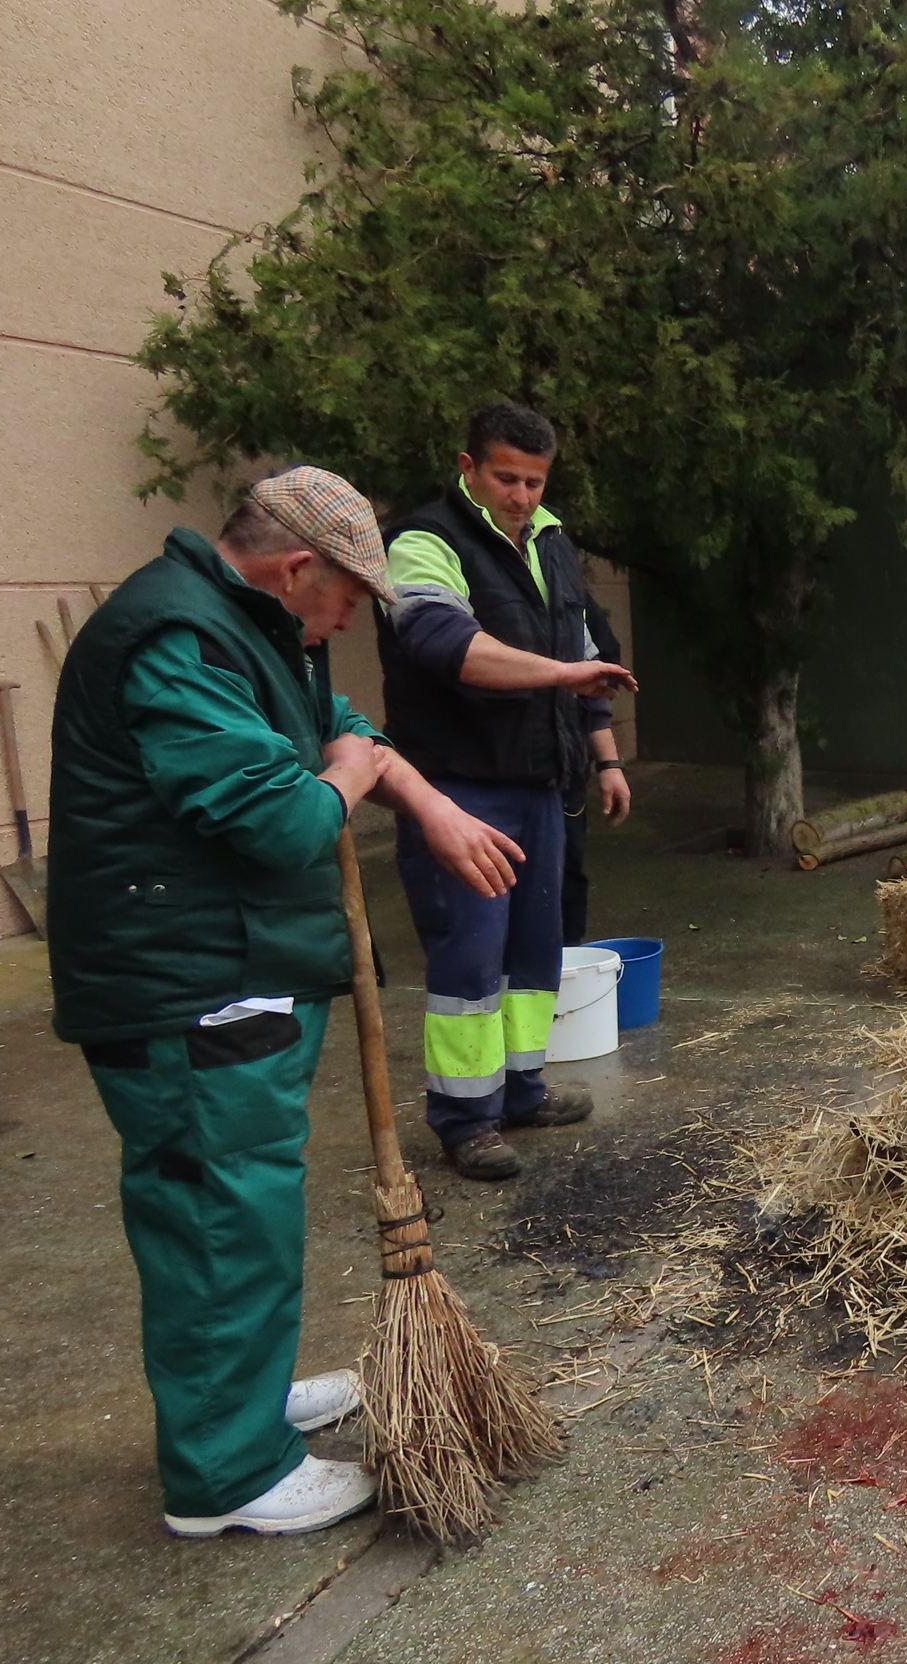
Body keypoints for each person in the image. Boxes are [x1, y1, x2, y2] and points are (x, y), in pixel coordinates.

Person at [50, 468, 528, 1536]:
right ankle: (226, 1479)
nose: (352, 619)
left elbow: (338, 724)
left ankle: (243, 1403)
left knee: (245, 1211)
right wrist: (354, 778)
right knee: (218, 1220)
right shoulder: (174, 639)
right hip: (186, 984)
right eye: (349, 595)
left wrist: (419, 797)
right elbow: (280, 820)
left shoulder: (251, 634)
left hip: (230, 966)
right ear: (294, 568)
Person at [379, 403, 635, 1181]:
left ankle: (522, 1089)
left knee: (536, 953)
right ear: (468, 468)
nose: (522, 496)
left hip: (540, 783)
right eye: (505, 478)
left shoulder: (553, 542)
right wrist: (561, 675)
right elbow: (444, 644)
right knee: (469, 961)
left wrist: (608, 757)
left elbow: (586, 651)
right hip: (460, 789)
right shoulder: (424, 542)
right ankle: (465, 1118)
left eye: (534, 480)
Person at [564, 589, 631, 947]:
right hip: (493, 775)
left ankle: (569, 967)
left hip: (565, 767)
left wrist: (609, 764)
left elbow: (596, 689)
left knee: (566, 876)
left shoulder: (554, 557)